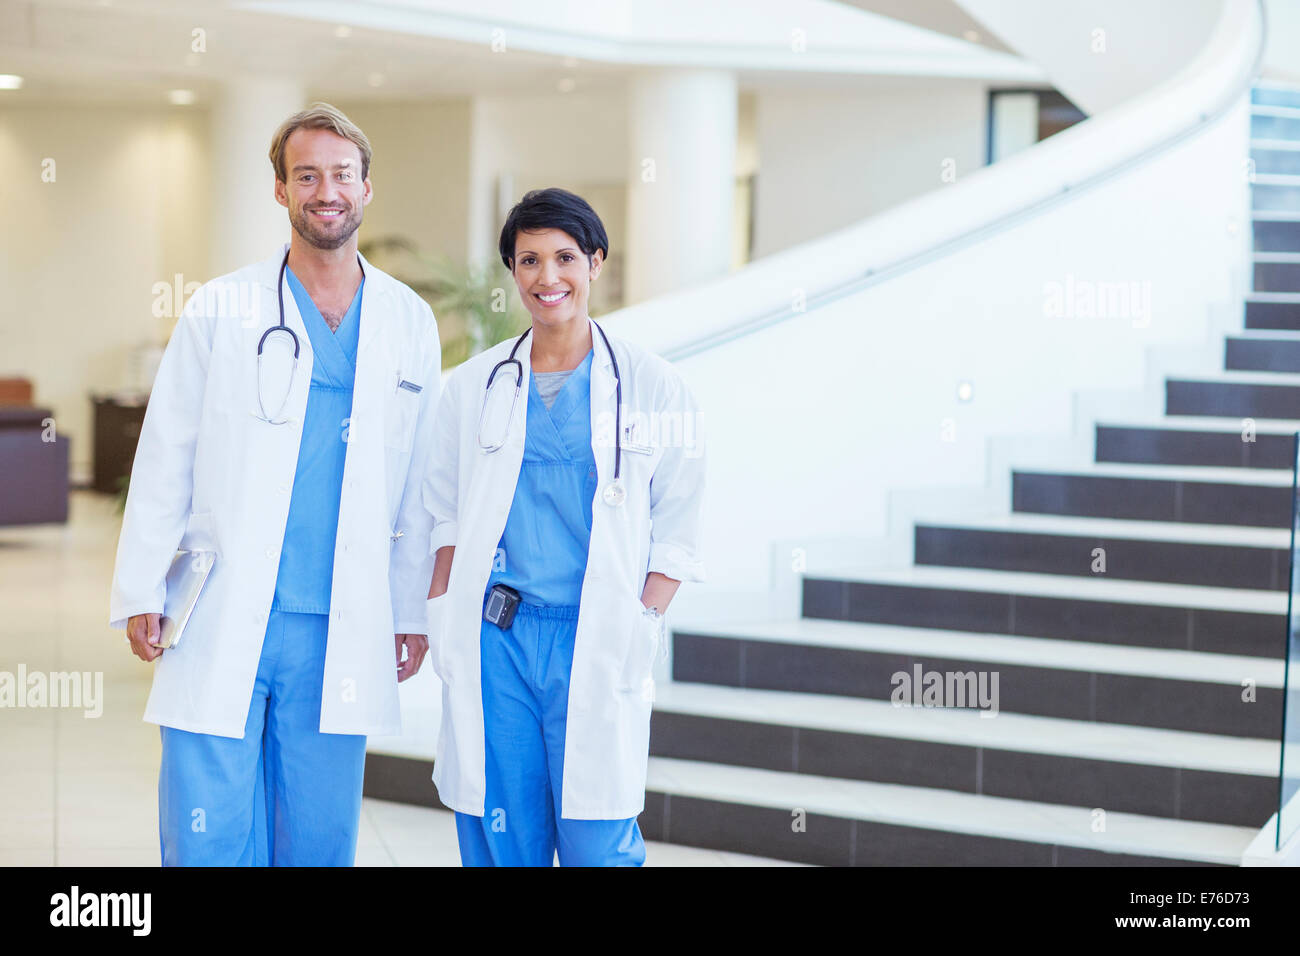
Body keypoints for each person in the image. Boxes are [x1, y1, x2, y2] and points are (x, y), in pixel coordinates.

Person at [109, 103, 441, 866]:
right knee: (206, 828)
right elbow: (167, 453)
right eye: (306, 175)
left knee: (318, 837)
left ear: (366, 189)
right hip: (221, 603)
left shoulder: (407, 320)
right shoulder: (221, 307)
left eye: (341, 175)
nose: (326, 190)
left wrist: (410, 608)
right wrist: (140, 591)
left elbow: (420, 485)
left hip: (340, 618)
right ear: (280, 191)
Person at [423, 187, 706, 866]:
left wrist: (641, 617)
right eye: (528, 261)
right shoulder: (472, 387)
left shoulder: (654, 386)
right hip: (499, 642)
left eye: (564, 257)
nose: (547, 277)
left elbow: (679, 525)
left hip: (599, 633)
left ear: (595, 263)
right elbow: (444, 517)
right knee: (501, 837)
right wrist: (441, 616)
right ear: (512, 272)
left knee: (597, 841)